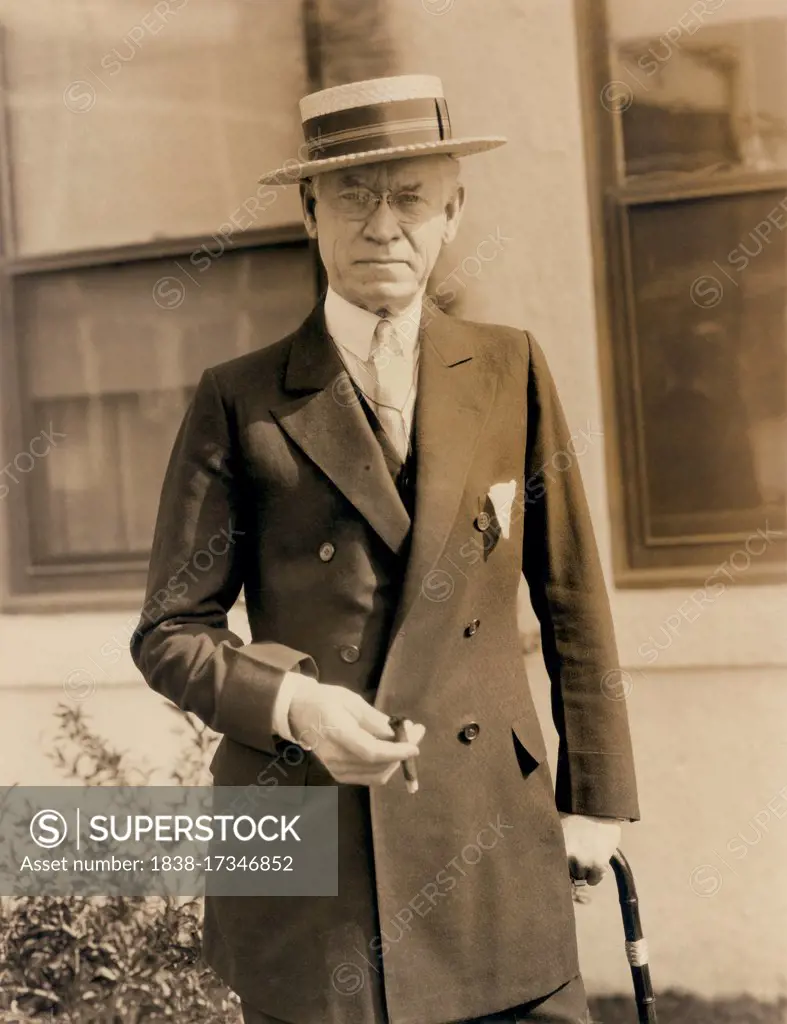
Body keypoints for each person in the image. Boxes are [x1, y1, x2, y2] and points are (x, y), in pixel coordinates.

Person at [131, 74, 639, 1024]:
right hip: (314, 856)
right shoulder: (240, 396)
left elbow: (571, 598)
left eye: (410, 197)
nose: (383, 227)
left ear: (453, 211)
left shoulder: (509, 366)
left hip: (491, 840)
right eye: (355, 198)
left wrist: (597, 800)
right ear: (310, 213)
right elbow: (170, 632)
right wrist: (298, 705)